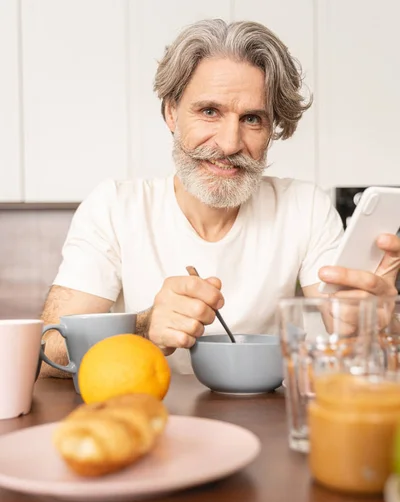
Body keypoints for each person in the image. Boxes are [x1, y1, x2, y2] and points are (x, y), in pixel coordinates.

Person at [40, 19, 400, 377]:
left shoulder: (304, 208)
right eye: (209, 112)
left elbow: (346, 328)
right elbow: (50, 350)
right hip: (145, 413)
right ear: (170, 112)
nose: (229, 143)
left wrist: (371, 323)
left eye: (252, 119)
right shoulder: (114, 207)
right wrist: (144, 326)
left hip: (264, 421)